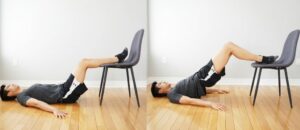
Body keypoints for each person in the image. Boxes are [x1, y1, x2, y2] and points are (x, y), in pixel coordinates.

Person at [0, 48, 128, 118]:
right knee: (84, 63)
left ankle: (116, 58)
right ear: (10, 93)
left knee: (83, 62)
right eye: (8, 86)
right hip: (64, 95)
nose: (11, 84)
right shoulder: (21, 97)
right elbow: (37, 103)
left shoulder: (23, 92)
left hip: (63, 87)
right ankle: (117, 58)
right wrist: (54, 110)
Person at [151, 42, 278, 111]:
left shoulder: (174, 89)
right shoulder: (172, 95)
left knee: (230, 49)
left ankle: (261, 58)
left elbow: (194, 90)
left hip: (204, 74)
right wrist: (210, 104)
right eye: (159, 84)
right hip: (205, 75)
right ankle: (263, 59)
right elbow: (189, 100)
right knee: (228, 46)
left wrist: (215, 90)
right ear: (160, 90)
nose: (162, 82)